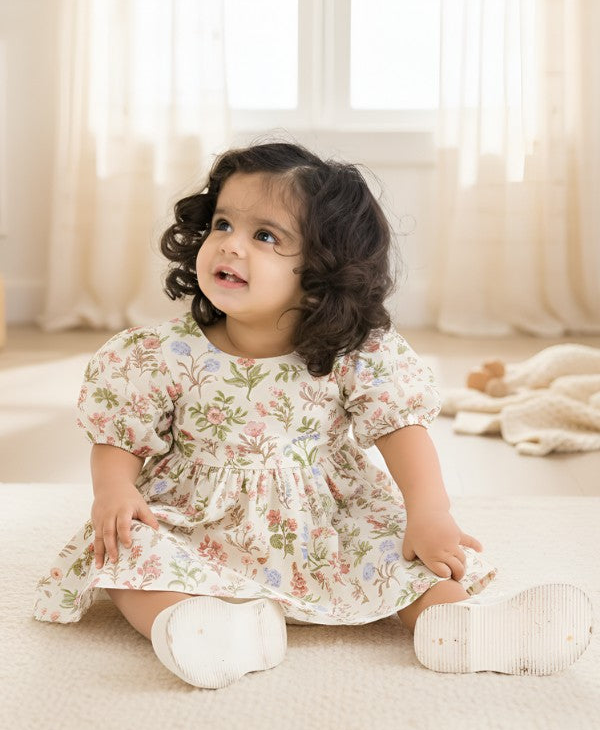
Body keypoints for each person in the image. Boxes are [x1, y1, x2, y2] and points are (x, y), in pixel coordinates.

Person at [33, 142, 592, 687]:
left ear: (322, 268)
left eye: (265, 236)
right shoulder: (158, 354)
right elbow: (121, 433)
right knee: (129, 549)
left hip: (326, 522)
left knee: (402, 547)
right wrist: (114, 490)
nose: (230, 245)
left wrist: (429, 512)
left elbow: (400, 427)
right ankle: (206, 629)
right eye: (222, 224)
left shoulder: (354, 352)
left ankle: (463, 625)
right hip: (197, 518)